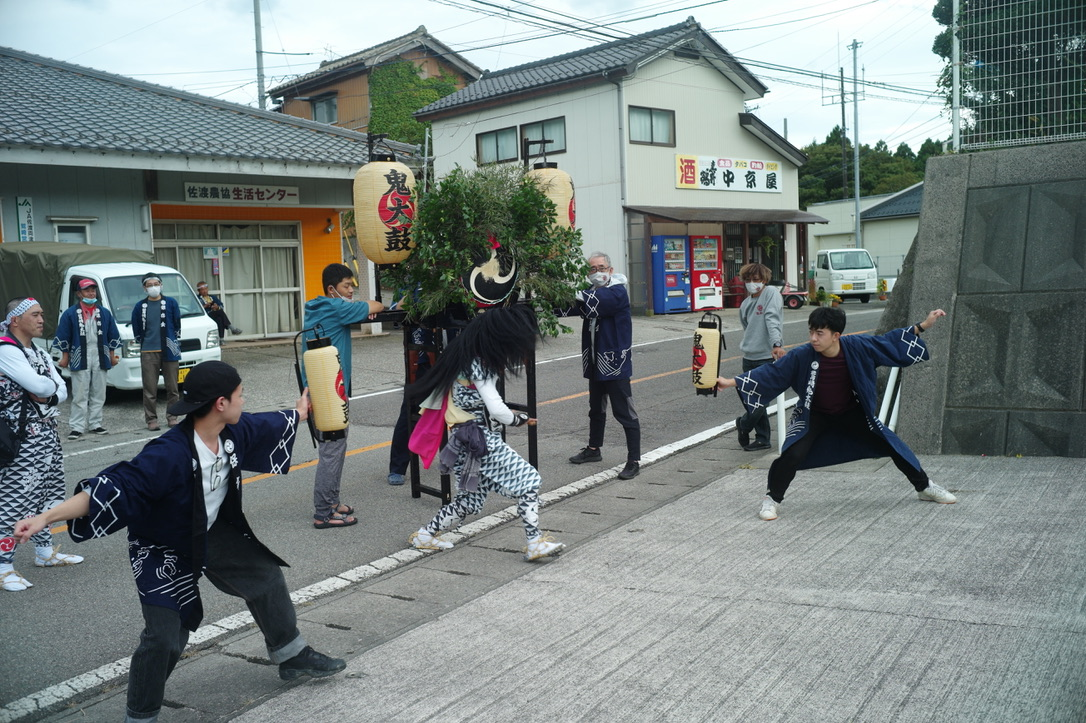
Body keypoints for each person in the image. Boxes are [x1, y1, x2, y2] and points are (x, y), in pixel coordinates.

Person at [13, 361, 346, 722]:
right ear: (220, 403)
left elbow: (266, 423)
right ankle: (140, 715)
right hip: (163, 545)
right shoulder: (168, 453)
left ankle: (291, 655)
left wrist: (299, 412)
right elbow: (112, 488)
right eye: (240, 394)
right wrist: (46, 518)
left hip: (210, 529)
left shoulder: (231, 431)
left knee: (265, 577)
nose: (243, 400)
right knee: (165, 637)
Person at [716, 306, 957, 521]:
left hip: (852, 412)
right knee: (792, 453)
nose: (813, 338)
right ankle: (772, 499)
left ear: (836, 335)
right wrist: (730, 382)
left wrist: (923, 326)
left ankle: (924, 487)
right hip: (814, 414)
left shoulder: (858, 346)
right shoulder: (802, 355)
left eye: (820, 333)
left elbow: (888, 342)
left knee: (892, 444)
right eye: (811, 331)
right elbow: (771, 373)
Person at [408, 305, 564, 561]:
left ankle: (425, 535)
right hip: (479, 440)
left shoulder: (465, 360)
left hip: (463, 441)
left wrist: (511, 416)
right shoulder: (480, 364)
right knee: (529, 482)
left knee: (469, 502)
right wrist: (519, 420)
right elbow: (497, 409)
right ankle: (534, 542)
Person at [0, 297, 81, 592]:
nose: (41, 319)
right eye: (34, 314)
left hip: (46, 433)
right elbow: (39, 385)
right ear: (15, 320)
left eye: (42, 314)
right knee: (14, 500)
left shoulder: (37, 351)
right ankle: (2, 566)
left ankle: (44, 551)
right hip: (19, 437)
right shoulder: (6, 350)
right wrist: (48, 388)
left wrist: (49, 391)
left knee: (47, 493)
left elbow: (60, 389)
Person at [300, 263, 384, 528]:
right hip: (328, 394)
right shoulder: (337, 308)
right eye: (346, 286)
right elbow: (378, 305)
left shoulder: (319, 307)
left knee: (335, 448)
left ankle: (333, 502)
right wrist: (365, 308)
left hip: (321, 388)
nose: (350, 291)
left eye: (351, 286)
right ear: (331, 289)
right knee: (332, 451)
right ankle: (323, 513)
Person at [567, 252, 641, 480]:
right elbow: (572, 307)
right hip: (595, 362)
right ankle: (593, 449)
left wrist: (568, 293)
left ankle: (634, 460)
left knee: (624, 412)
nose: (597, 272)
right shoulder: (590, 292)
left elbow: (596, 301)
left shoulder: (617, 292)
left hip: (614, 363)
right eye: (592, 269)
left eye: (601, 267)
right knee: (596, 409)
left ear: (610, 270)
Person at [53, 279, 121, 440]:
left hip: (100, 353)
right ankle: (77, 426)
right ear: (79, 293)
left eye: (93, 290)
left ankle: (95, 423)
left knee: (99, 391)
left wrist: (112, 356)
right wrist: (65, 357)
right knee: (79, 393)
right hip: (80, 353)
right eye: (87, 290)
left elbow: (112, 335)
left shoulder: (104, 313)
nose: (91, 293)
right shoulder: (70, 313)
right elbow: (64, 336)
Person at [734, 263, 785, 452]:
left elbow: (772, 318)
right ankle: (763, 439)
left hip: (766, 356)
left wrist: (776, 344)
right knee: (753, 401)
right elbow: (746, 327)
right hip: (749, 357)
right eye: (748, 280)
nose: (752, 283)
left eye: (756, 279)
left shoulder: (771, 293)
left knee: (761, 400)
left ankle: (743, 424)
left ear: (764, 280)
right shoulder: (745, 304)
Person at [131, 272, 182, 431]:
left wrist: (173, 340)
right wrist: (143, 342)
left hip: (169, 349)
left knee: (173, 387)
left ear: (161, 285)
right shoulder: (140, 306)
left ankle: (172, 416)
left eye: (156, 284)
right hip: (148, 350)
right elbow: (136, 327)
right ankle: (151, 419)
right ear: (144, 288)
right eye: (150, 285)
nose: (153, 287)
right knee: (150, 388)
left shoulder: (171, 303)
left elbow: (177, 323)